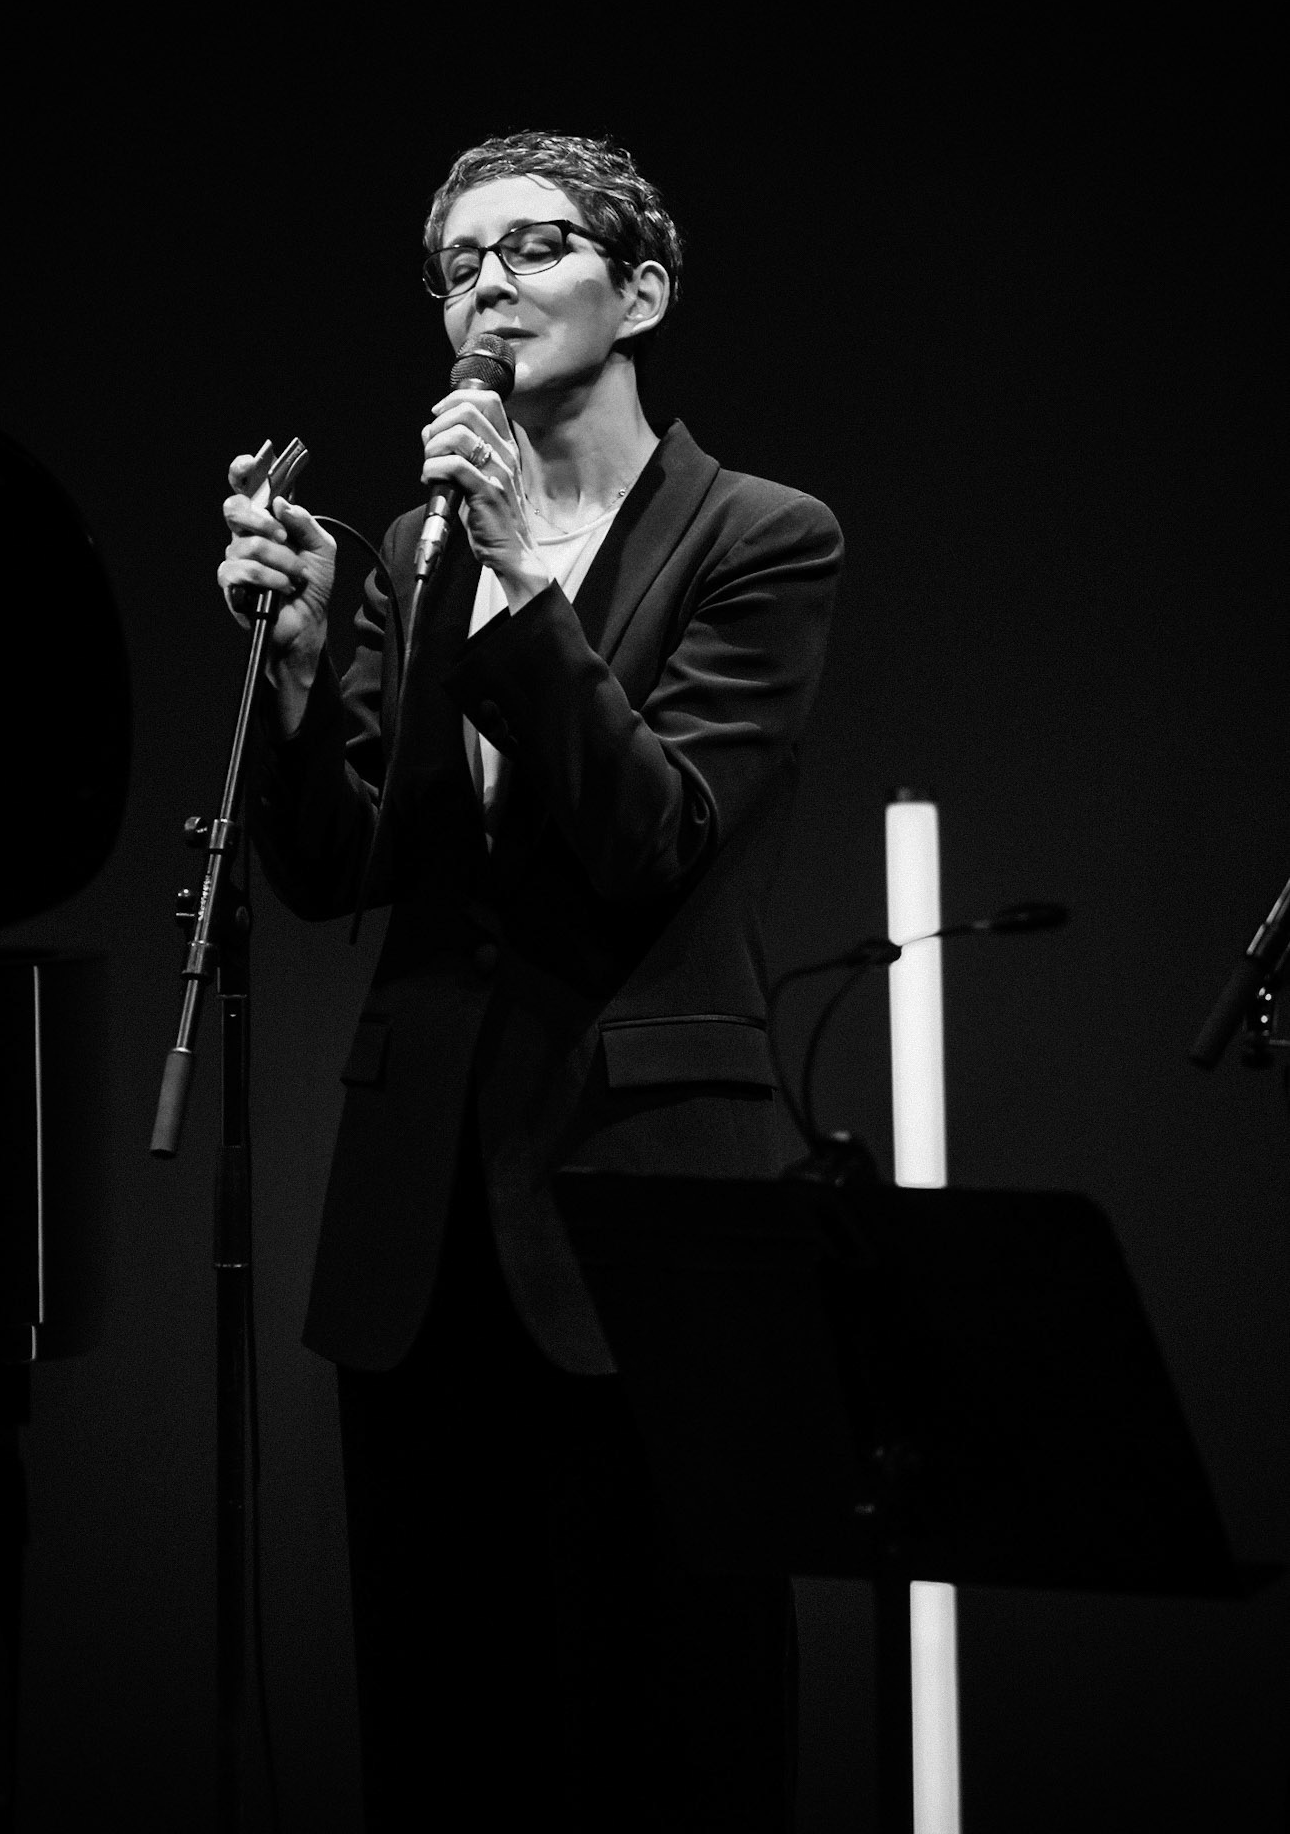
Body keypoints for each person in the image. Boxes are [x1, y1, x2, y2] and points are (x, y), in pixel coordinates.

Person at [218, 131, 842, 1832]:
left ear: (638, 291)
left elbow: (657, 840)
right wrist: (292, 675)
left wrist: (513, 579)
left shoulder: (759, 536)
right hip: (422, 1213)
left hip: (646, 1201)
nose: (485, 285)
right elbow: (339, 868)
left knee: (672, 1704)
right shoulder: (414, 557)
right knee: (445, 1708)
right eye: (456, 265)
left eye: (535, 248)